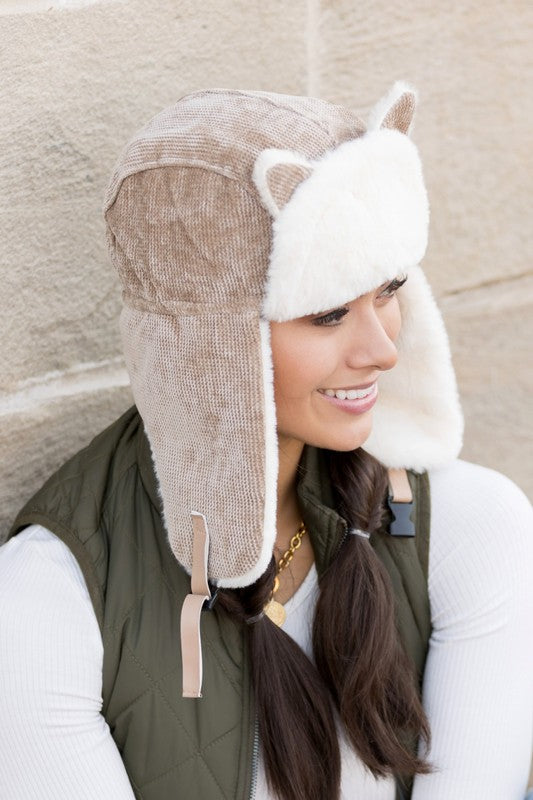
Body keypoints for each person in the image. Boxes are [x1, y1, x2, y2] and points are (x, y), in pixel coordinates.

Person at [1, 82, 532, 800]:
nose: (380, 350)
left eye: (387, 291)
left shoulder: (469, 528)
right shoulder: (46, 601)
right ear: (211, 343)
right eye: (327, 314)